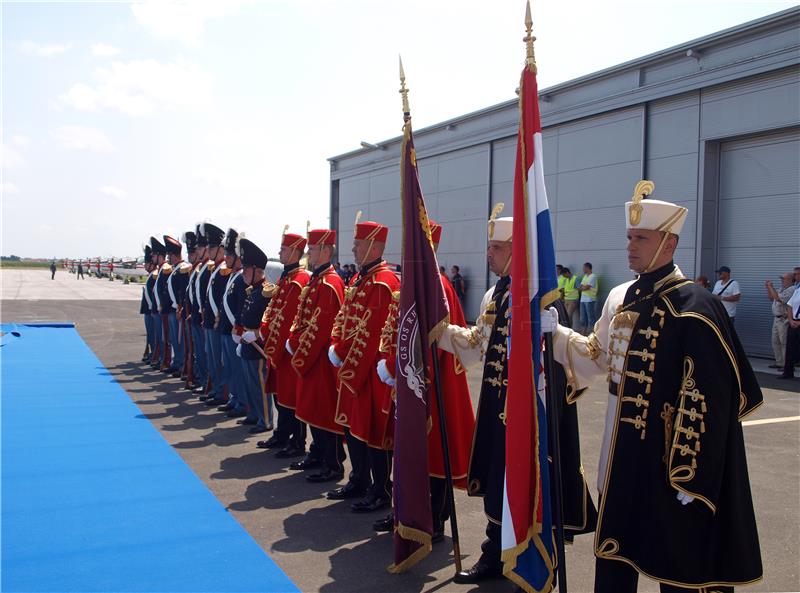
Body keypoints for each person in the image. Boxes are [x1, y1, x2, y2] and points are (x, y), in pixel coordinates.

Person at [546, 180, 763, 593]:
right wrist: (557, 336)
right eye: (629, 237)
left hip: (669, 459)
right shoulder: (621, 297)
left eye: (640, 238)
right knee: (617, 546)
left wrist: (696, 477)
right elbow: (597, 356)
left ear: (668, 242)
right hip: (622, 445)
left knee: (677, 558)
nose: (630, 246)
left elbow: (713, 402)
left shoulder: (696, 306)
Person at [437, 212, 596, 584]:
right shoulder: (497, 294)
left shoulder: (538, 290)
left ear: (515, 249)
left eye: (495, 247)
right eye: (489, 246)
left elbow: (560, 354)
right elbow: (479, 342)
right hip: (498, 404)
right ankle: (495, 554)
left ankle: (538, 566)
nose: (488, 254)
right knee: (498, 482)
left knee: (534, 483)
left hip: (530, 409)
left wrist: (558, 334)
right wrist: (440, 331)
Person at [374, 220, 477, 541]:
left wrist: (397, 368)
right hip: (410, 381)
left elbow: (429, 344)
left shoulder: (437, 286)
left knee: (433, 454)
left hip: (433, 383)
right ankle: (406, 511)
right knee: (409, 449)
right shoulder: (413, 283)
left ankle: (434, 518)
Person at [327, 220, 399, 514]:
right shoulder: (362, 278)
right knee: (353, 428)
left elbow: (372, 332)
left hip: (369, 371)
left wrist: (344, 355)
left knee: (374, 433)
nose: (353, 248)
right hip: (353, 367)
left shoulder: (383, 282)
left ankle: (380, 489)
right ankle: (358, 478)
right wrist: (337, 345)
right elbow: (344, 319)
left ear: (374, 246)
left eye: (358, 244)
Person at [287, 228, 347, 482]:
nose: (308, 253)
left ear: (324, 250)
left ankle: (333, 462)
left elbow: (322, 326)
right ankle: (317, 451)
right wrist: (295, 340)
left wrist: (301, 350)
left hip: (320, 359)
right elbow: (302, 319)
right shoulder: (316, 280)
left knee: (324, 412)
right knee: (312, 410)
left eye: (311, 249)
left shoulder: (330, 282)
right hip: (310, 355)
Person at [259, 230, 312, 452]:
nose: (279, 252)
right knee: (281, 396)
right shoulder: (287, 276)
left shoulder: (299, 279)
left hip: (288, 349)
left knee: (292, 398)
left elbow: (290, 316)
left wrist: (276, 342)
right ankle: (282, 434)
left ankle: (297, 442)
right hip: (278, 345)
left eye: (283, 249)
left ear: (294, 251)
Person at [233, 238, 272, 435]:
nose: (243, 273)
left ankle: (265, 419)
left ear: (257, 270)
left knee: (260, 386)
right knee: (249, 383)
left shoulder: (266, 292)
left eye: (246, 269)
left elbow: (269, 322)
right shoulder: (252, 291)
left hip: (258, 346)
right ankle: (254, 414)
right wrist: (240, 334)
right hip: (247, 343)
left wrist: (254, 334)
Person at [216, 229, 247, 416]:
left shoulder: (242, 277)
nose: (225, 257)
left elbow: (242, 306)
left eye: (228, 254)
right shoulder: (234, 276)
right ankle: (234, 398)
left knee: (237, 370)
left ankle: (242, 403)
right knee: (230, 368)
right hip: (227, 329)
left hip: (234, 331)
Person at [198, 223, 226, 402]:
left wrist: (217, 317)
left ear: (221, 249)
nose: (209, 249)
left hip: (216, 321)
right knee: (212, 358)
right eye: (208, 246)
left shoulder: (223, 270)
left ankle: (222, 392)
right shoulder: (214, 269)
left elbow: (223, 299)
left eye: (213, 246)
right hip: (209, 320)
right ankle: (216, 389)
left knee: (219, 360)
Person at [164, 235, 191, 378]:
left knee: (181, 341)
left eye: (170, 255)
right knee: (175, 339)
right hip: (173, 309)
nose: (168, 258)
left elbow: (182, 290)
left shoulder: (182, 269)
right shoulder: (176, 269)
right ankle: (177, 363)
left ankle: (181, 364)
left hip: (178, 309)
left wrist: (180, 307)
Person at [188, 225, 209, 393]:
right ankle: (204, 381)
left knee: (208, 355)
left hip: (206, 318)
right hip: (197, 316)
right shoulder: (200, 267)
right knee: (201, 353)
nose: (199, 250)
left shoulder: (210, 269)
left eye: (201, 247)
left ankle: (211, 385)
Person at [766, 272, 796, 370]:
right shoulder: (781, 289)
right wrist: (768, 288)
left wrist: (771, 287)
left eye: (784, 278)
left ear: (791, 280)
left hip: (784, 319)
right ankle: (779, 362)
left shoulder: (792, 289)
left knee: (784, 342)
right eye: (782, 278)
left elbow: (779, 299)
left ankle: (786, 364)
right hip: (776, 318)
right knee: (775, 341)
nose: (782, 280)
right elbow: (772, 298)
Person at [150, 236, 171, 371]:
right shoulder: (161, 270)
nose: (152, 257)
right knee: (160, 337)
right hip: (159, 310)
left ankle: (166, 359)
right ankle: (162, 358)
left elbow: (166, 291)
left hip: (164, 311)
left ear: (159, 255)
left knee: (165, 338)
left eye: (154, 255)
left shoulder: (166, 270)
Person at [779, 279, 800, 380]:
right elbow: (789, 305)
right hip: (793, 321)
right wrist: (791, 320)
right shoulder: (797, 290)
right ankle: (788, 372)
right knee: (790, 348)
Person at [140, 244, 154, 362]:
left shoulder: (155, 275)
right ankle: (153, 353)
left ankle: (155, 354)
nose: (145, 265)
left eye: (147, 262)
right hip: (148, 310)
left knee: (154, 335)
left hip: (151, 310)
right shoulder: (151, 275)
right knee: (150, 334)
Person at [578, 261, 599, 334]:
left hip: (590, 299)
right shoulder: (585, 276)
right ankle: (583, 333)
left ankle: (592, 333)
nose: (583, 269)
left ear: (587, 268)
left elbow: (586, 287)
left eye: (584, 268)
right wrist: (583, 287)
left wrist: (583, 287)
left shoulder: (593, 276)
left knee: (591, 317)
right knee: (583, 318)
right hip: (583, 299)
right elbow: (580, 287)